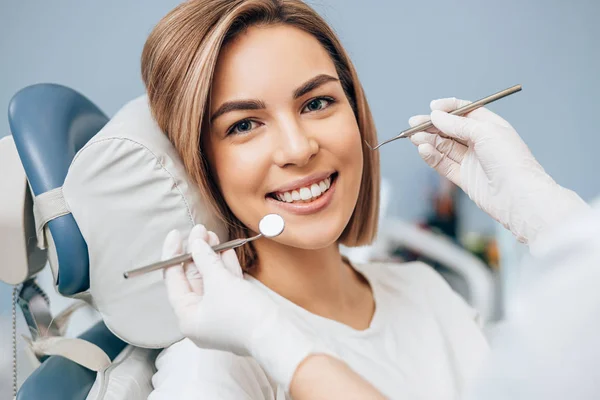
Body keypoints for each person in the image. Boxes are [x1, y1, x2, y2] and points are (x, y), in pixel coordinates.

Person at [144, 1, 588, 399]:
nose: (299, 148)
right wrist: (269, 336)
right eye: (244, 125)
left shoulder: (426, 292)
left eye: (317, 103)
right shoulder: (211, 364)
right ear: (199, 162)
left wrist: (551, 221)